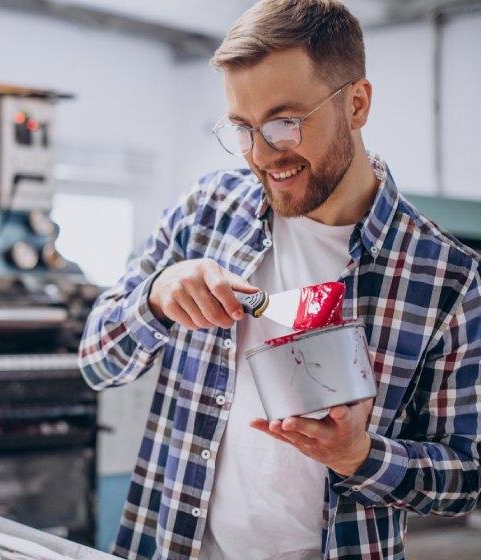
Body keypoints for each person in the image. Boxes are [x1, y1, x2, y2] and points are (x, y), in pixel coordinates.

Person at [78, 1, 481, 559]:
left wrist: (359, 456)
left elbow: (465, 479)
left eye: (284, 123)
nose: (262, 155)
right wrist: (155, 297)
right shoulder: (206, 211)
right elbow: (97, 363)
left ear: (357, 103)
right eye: (242, 128)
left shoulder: (447, 279)